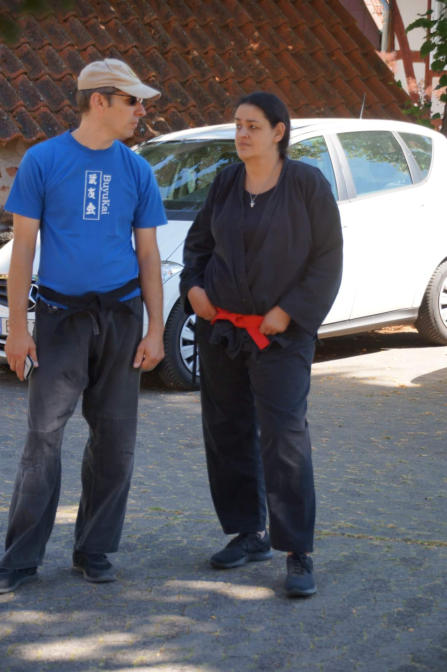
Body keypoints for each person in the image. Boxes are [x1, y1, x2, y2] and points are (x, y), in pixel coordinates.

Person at [0, 59, 166, 594]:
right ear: (99, 101)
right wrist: (19, 327)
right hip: (59, 319)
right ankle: (20, 558)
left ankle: (94, 549)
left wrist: (156, 329)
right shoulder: (43, 160)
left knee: (115, 439)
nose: (141, 111)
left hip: (121, 317)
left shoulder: (137, 170)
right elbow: (23, 248)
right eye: (132, 101)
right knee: (43, 438)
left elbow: (148, 254)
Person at [180, 92, 343, 597]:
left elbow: (328, 259)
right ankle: (248, 533)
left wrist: (289, 311)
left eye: (252, 125)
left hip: (281, 337)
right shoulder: (226, 183)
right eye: (237, 125)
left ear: (278, 132)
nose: (242, 134)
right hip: (222, 331)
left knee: (284, 437)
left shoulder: (306, 185)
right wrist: (194, 289)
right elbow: (198, 245)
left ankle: (297, 551)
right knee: (226, 430)